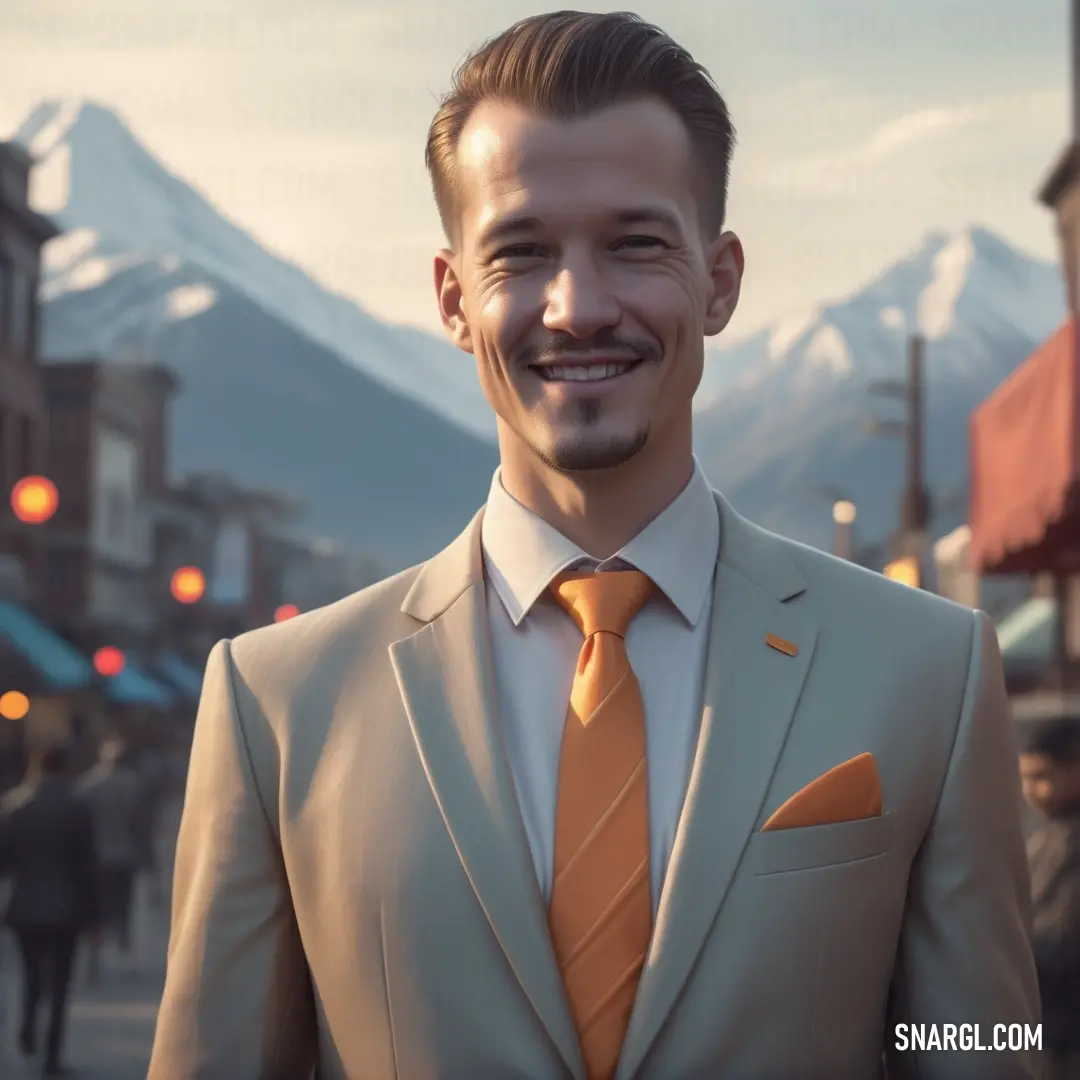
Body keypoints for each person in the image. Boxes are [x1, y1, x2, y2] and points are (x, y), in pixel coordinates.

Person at [148, 12, 1040, 1079]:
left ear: (720, 280)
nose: (577, 307)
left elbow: (984, 1049)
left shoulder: (929, 672)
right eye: (521, 253)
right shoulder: (276, 704)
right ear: (453, 299)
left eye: (634, 244)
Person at [0, 742, 99, 1076]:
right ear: (65, 768)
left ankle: (27, 1029)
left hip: (25, 908)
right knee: (59, 986)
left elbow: (4, 862)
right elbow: (88, 865)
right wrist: (94, 915)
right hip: (66, 909)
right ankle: (52, 1055)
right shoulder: (77, 807)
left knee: (31, 978)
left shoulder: (16, 805)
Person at [1020, 719, 1080, 1079]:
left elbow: (1057, 943)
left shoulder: (1071, 842)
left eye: (1041, 776)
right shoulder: (1054, 833)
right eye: (1024, 778)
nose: (1030, 791)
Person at [76, 736, 145, 979]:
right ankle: (124, 953)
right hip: (123, 856)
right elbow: (139, 826)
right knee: (122, 906)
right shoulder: (131, 785)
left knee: (96, 910)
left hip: (96, 858)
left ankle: (94, 960)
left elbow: (80, 827)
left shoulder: (88, 785)